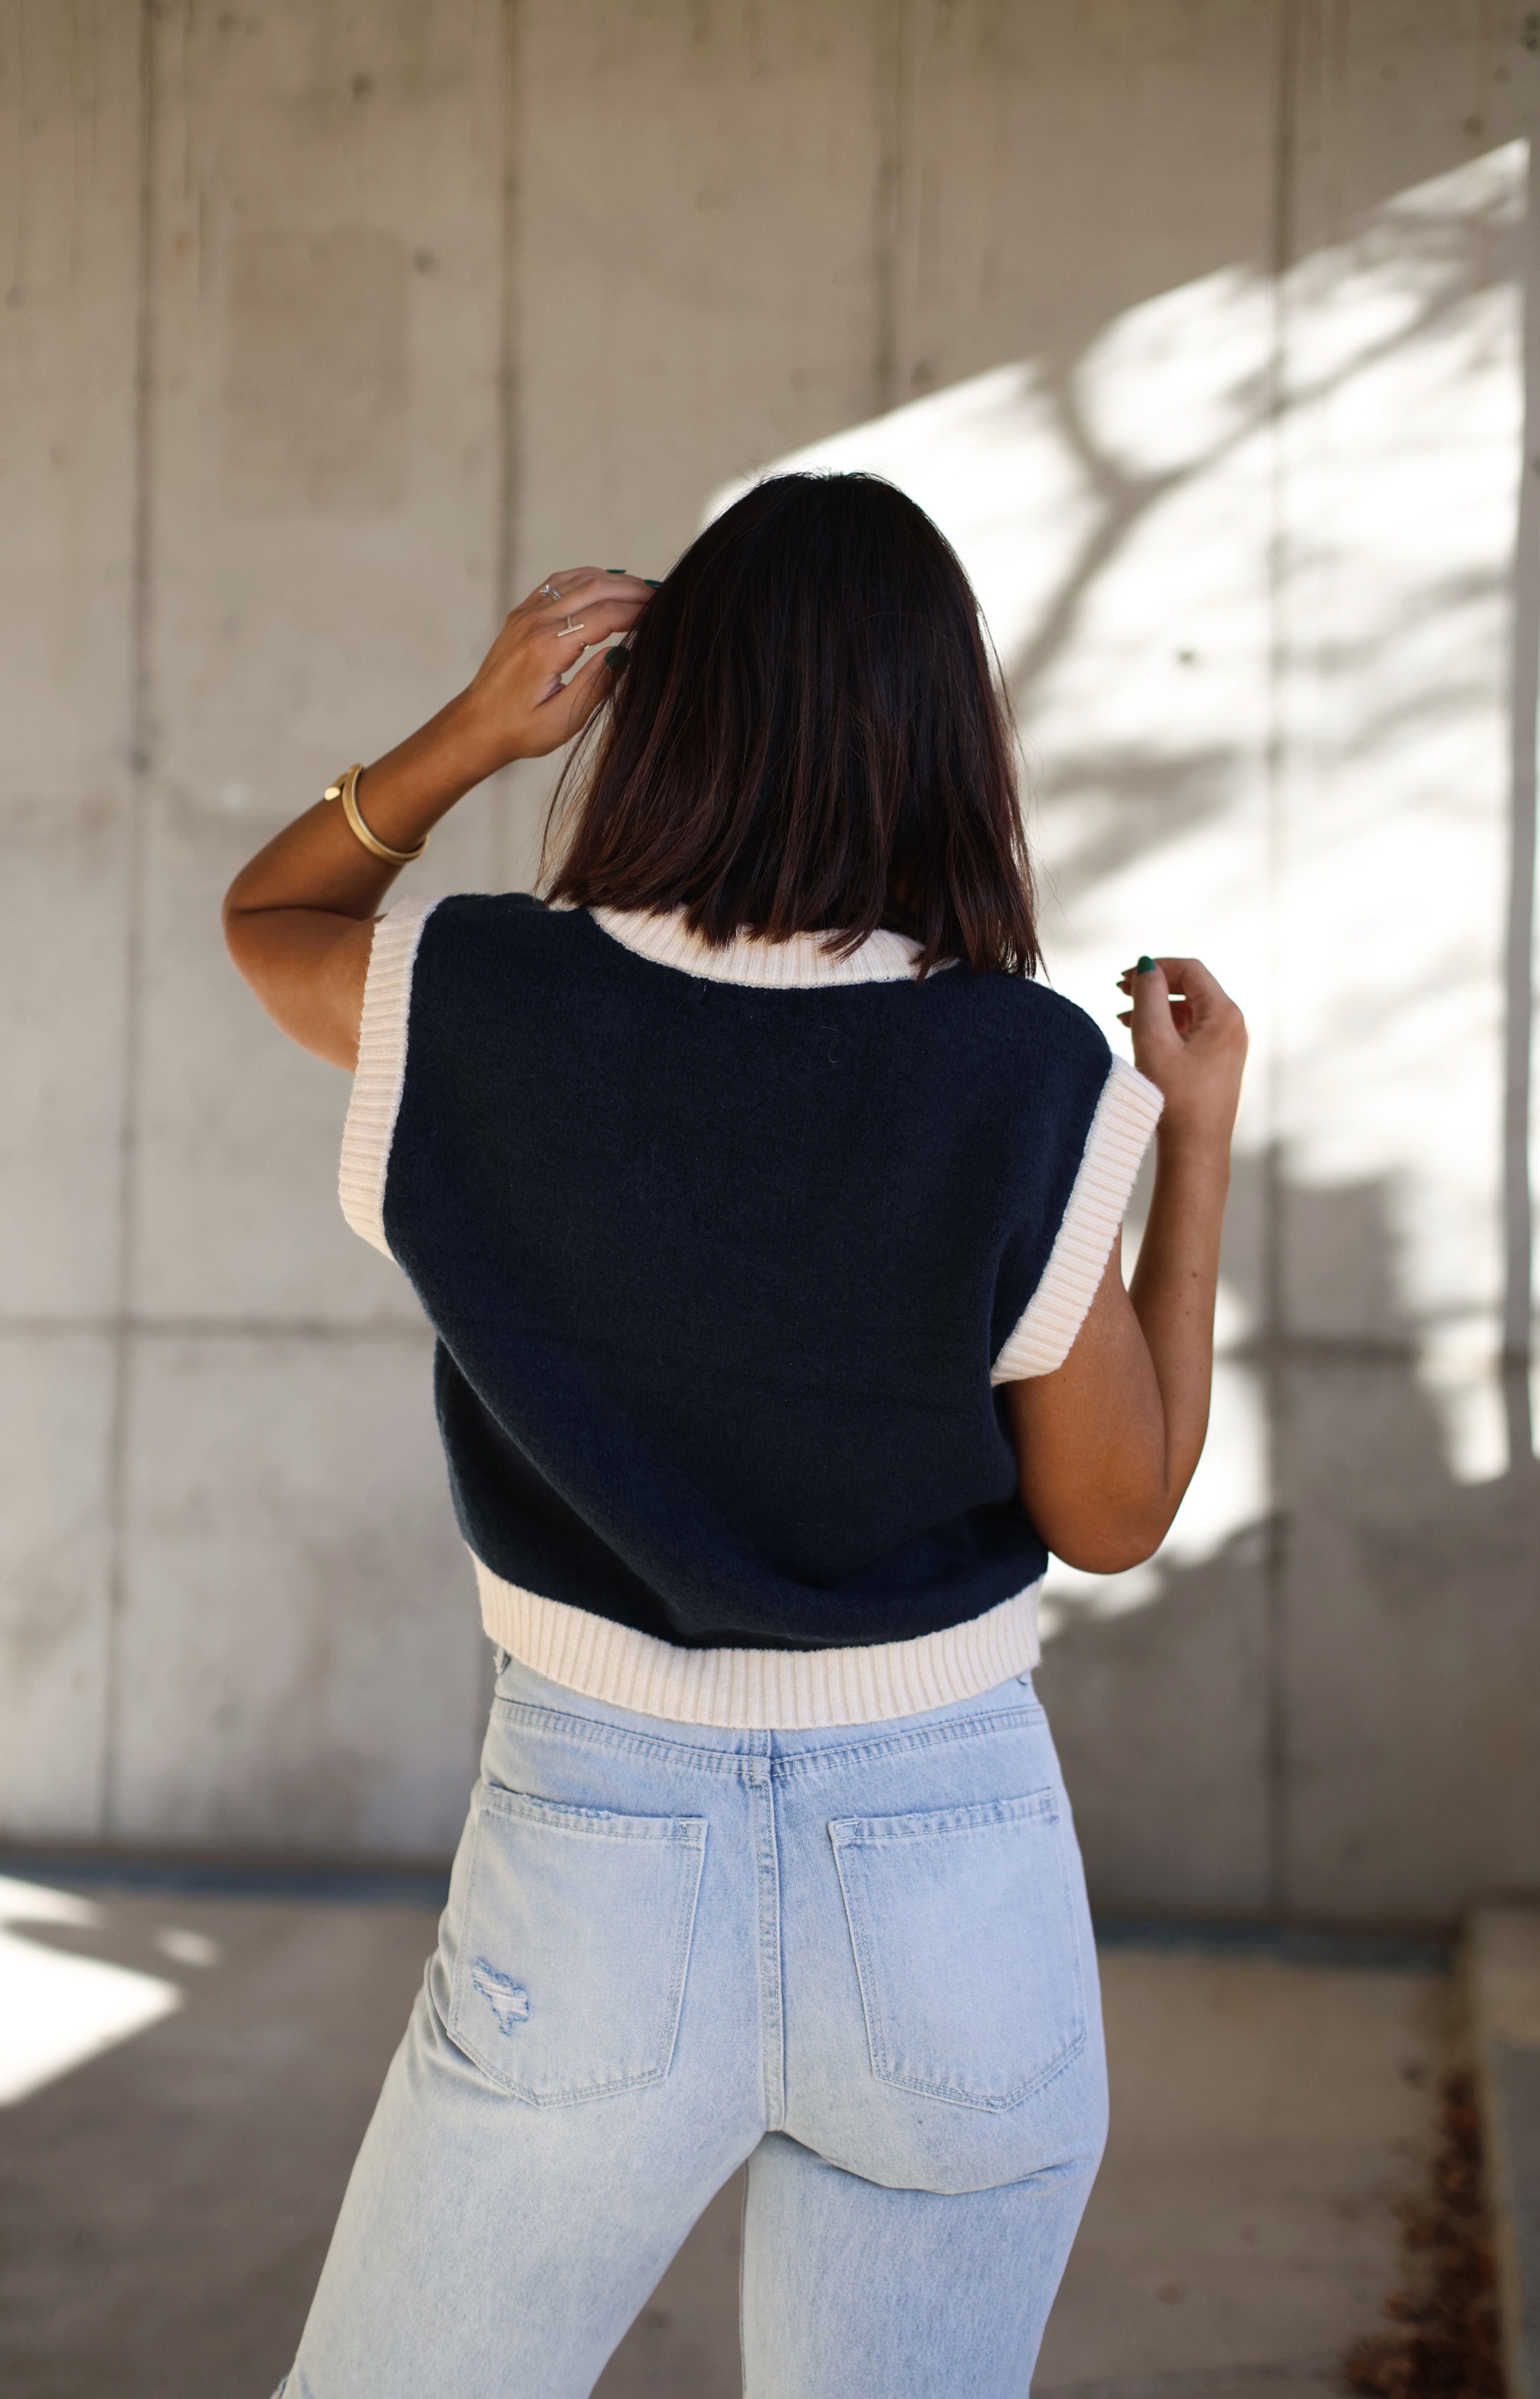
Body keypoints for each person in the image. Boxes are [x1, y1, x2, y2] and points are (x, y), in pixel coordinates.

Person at [225, 472, 1246, 2399]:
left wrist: (474, 728)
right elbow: (1111, 1515)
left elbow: (269, 913)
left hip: (594, 1855)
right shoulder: (1022, 1071)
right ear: (949, 740)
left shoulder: (480, 1000)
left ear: (665, 706)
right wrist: (1185, 1141)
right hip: (953, 1871)